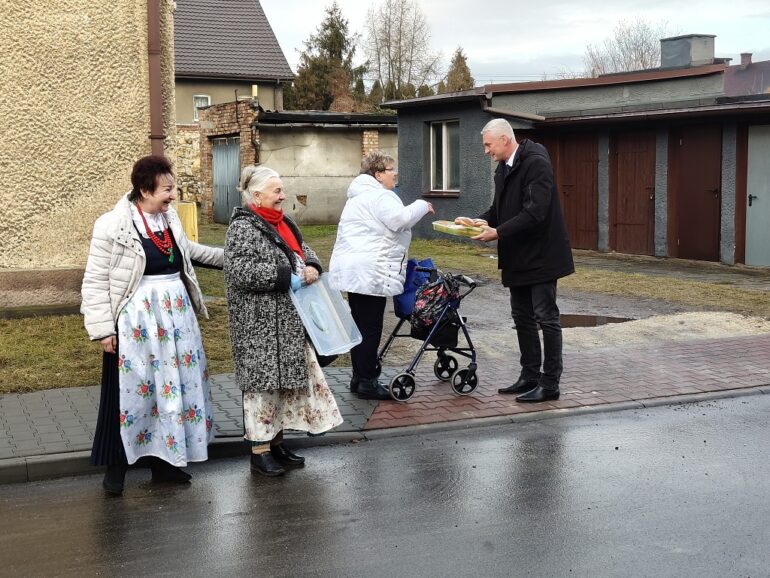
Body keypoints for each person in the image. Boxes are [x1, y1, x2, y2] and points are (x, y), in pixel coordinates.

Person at [81, 155, 224, 496]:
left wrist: (233, 255)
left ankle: (165, 463)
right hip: (138, 324)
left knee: (173, 390)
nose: (173, 195)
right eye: (167, 189)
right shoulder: (112, 226)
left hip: (177, 320)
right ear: (144, 190)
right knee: (132, 395)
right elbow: (95, 280)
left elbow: (189, 252)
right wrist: (103, 329)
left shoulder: (168, 218)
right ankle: (115, 470)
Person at [224, 165, 343, 477]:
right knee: (261, 388)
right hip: (258, 325)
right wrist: (284, 277)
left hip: (288, 323)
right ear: (257, 195)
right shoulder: (242, 228)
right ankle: (259, 451)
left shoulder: (282, 223)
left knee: (283, 386)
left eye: (281, 189)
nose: (283, 195)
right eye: (277, 191)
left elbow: (303, 249)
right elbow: (239, 270)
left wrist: (313, 266)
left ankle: (276, 443)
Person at [467, 118, 574, 403]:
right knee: (522, 317)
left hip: (542, 255)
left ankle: (550, 384)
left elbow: (535, 212)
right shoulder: (504, 168)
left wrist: (498, 232)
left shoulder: (536, 163)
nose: (486, 151)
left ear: (504, 139)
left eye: (488, 145)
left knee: (546, 318)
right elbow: (501, 208)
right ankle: (529, 376)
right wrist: (482, 220)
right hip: (518, 256)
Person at [329, 150, 434, 400]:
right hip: (370, 272)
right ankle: (367, 381)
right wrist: (421, 204)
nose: (395, 174)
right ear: (377, 174)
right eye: (390, 170)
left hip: (355, 272)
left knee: (361, 323)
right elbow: (400, 220)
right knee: (370, 327)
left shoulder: (358, 196)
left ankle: (359, 376)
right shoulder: (379, 196)